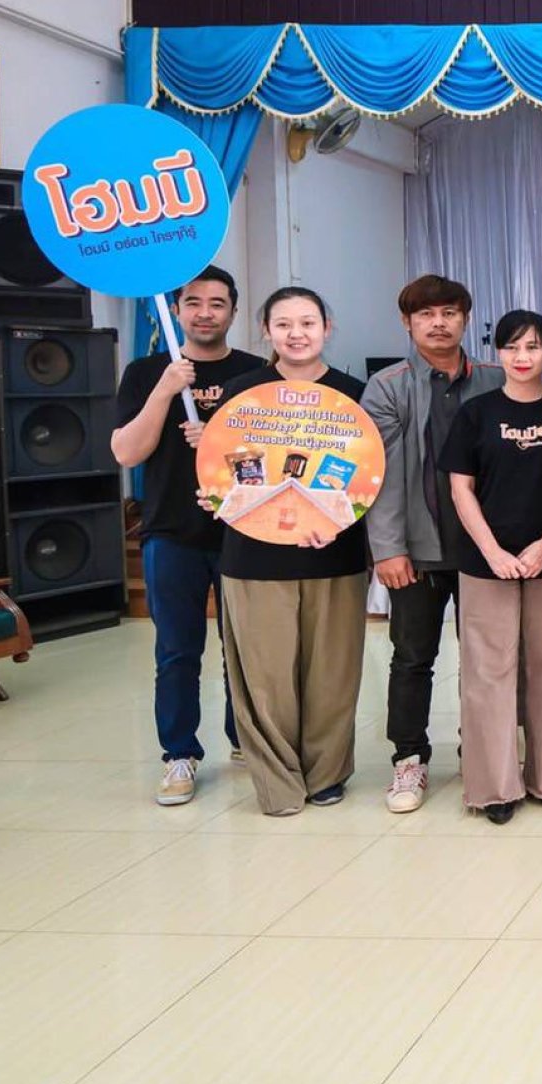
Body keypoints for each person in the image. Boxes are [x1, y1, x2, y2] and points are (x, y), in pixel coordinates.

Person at [212, 288, 371, 817]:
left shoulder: (354, 394)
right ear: (266, 330)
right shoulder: (241, 392)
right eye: (283, 324)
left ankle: (327, 774)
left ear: (327, 326)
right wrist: (216, 491)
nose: (296, 333)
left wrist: (340, 519)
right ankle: (278, 781)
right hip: (254, 556)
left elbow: (369, 474)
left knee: (332, 674)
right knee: (266, 679)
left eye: (307, 322)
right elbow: (222, 468)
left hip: (335, 553)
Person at [113, 266, 263, 805]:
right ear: (175, 311)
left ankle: (245, 737)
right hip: (171, 532)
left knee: (243, 649)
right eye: (194, 303)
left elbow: (270, 463)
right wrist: (165, 391)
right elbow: (127, 452)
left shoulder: (256, 373)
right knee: (177, 651)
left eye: (217, 303)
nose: (205, 313)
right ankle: (179, 753)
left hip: (242, 533)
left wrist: (220, 442)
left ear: (233, 312)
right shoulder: (146, 371)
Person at [362, 275, 501, 814]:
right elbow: (380, 475)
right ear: (407, 322)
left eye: (448, 313)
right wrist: (388, 548)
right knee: (412, 657)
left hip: (483, 551)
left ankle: (481, 754)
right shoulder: (388, 387)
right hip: (416, 550)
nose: (438, 323)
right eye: (425, 315)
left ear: (465, 318)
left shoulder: (493, 378)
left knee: (486, 659)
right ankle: (409, 759)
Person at [441, 310, 542, 825]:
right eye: (512, 347)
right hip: (484, 562)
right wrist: (492, 550)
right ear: (496, 352)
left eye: (533, 347)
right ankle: (494, 786)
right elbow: (460, 488)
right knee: (487, 672)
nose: (522, 357)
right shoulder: (476, 413)